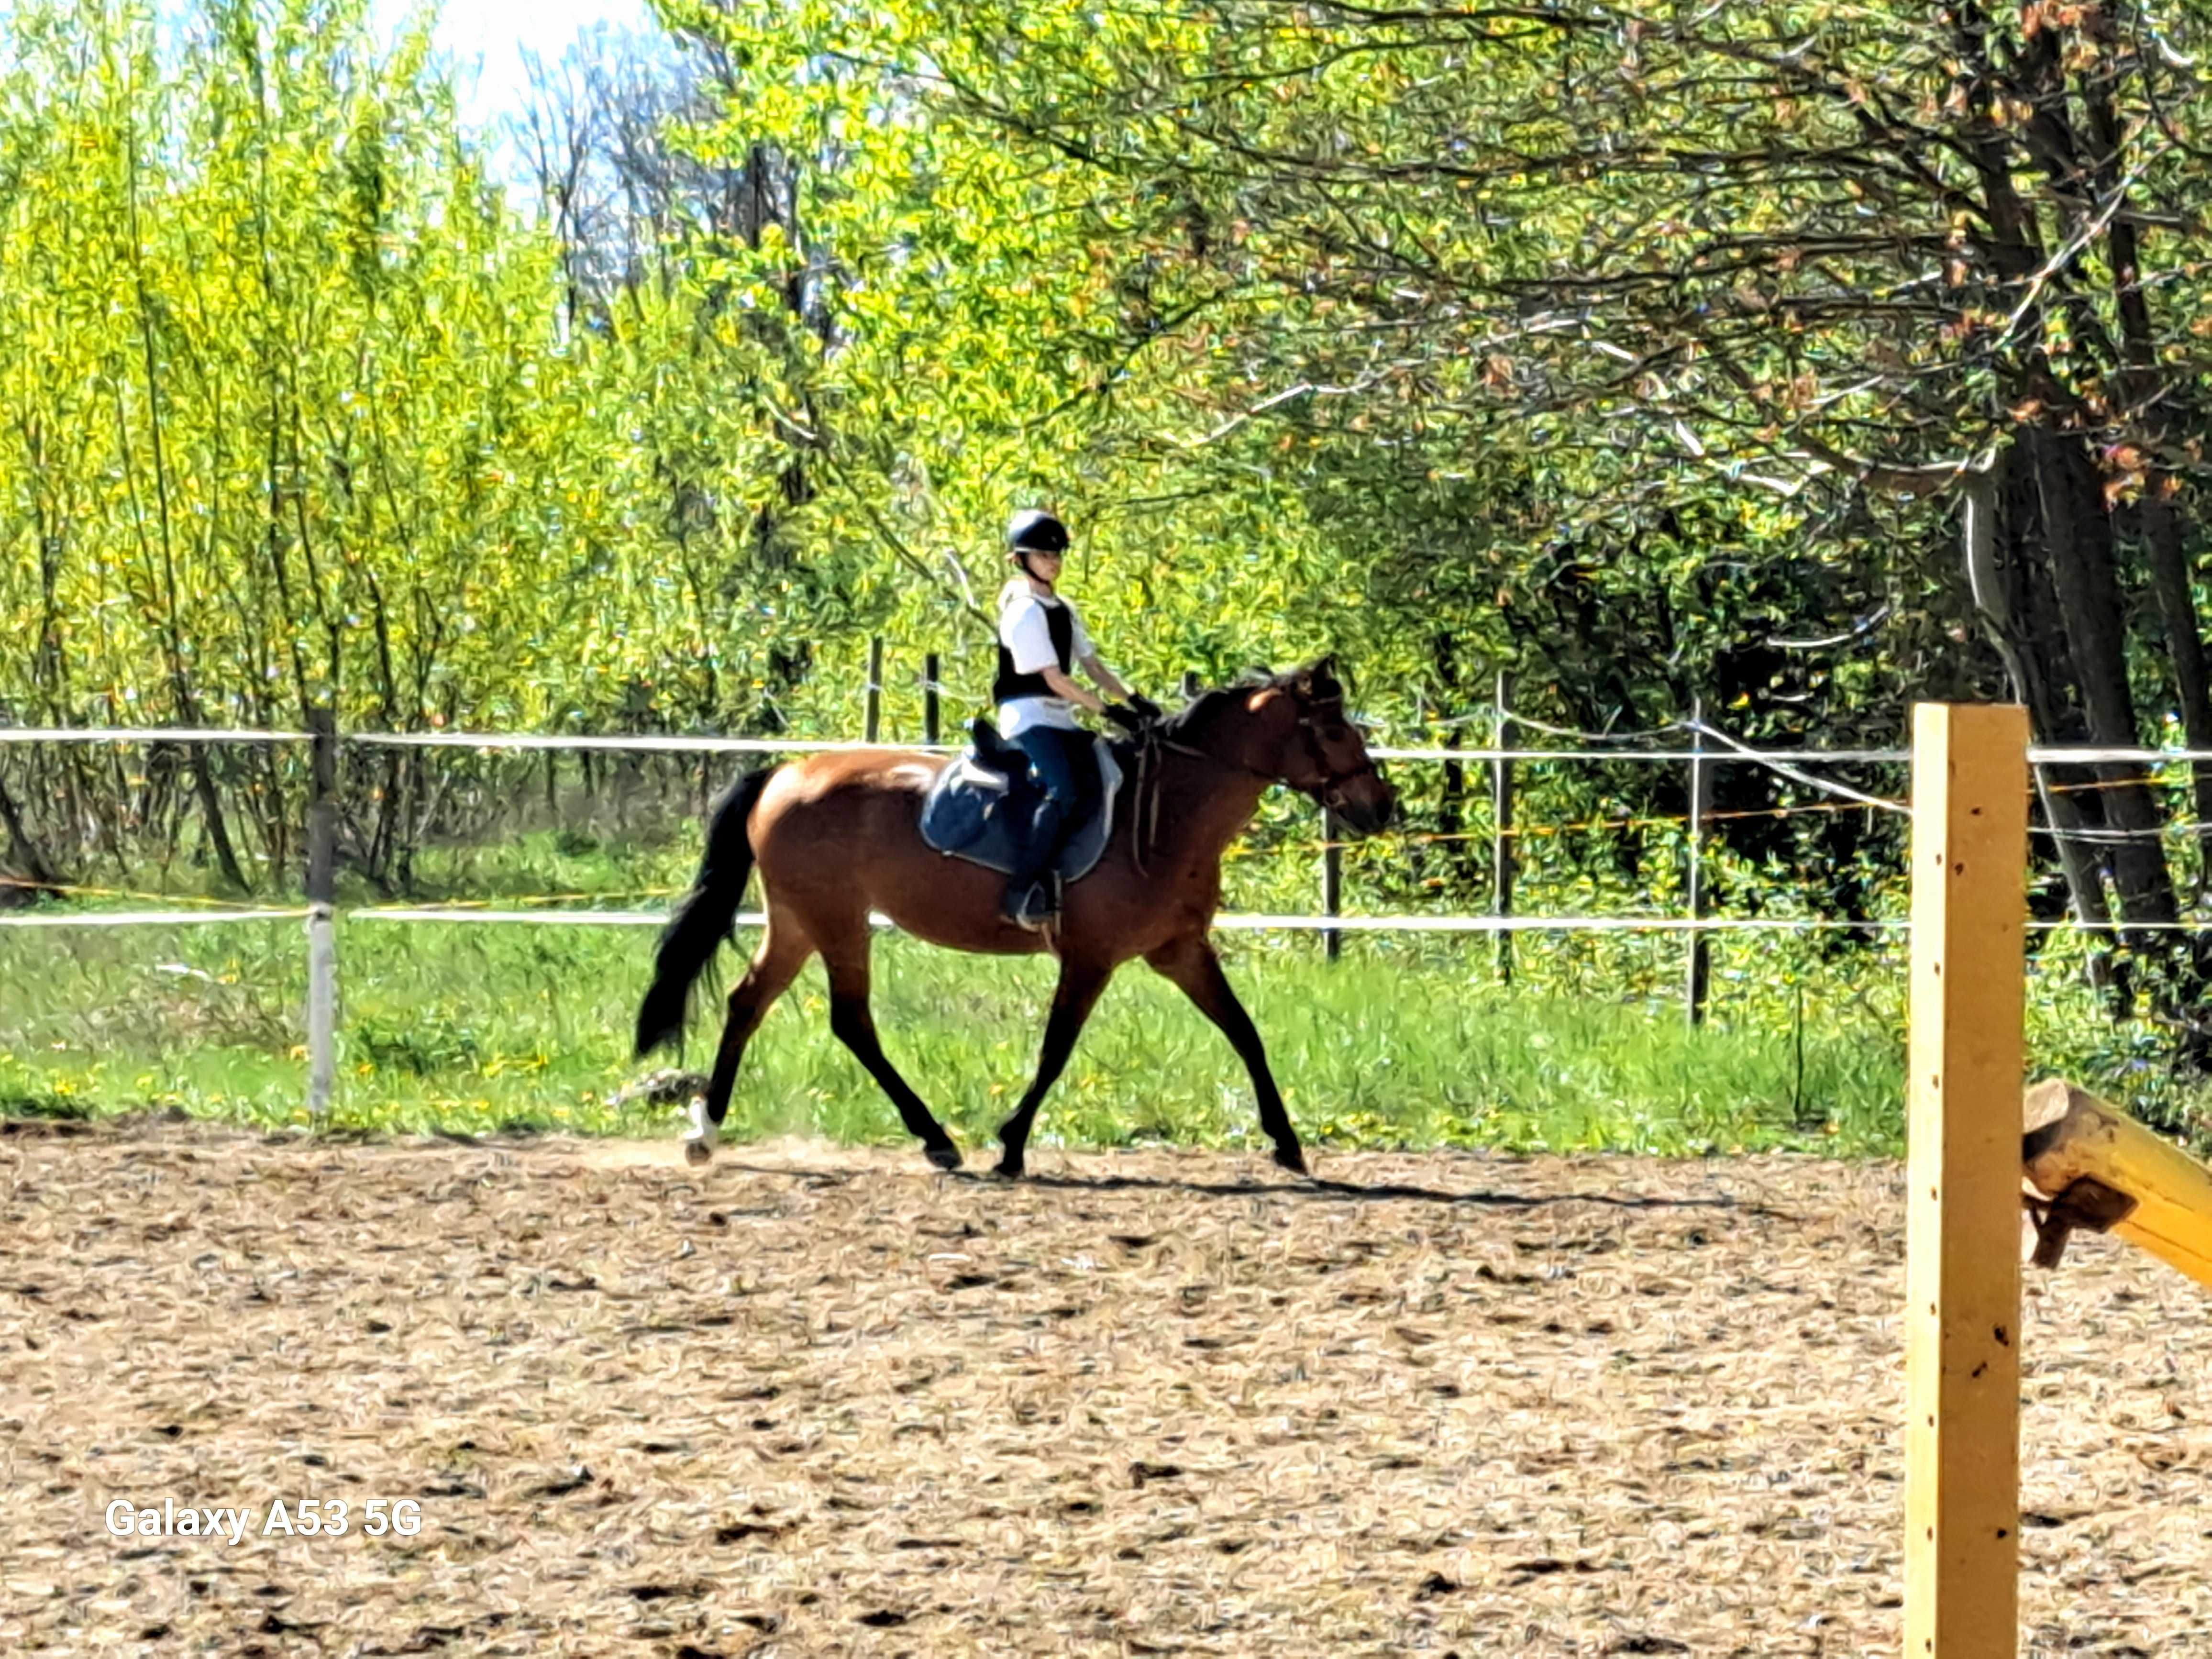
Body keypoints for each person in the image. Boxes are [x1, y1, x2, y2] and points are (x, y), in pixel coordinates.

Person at [992, 508, 1144, 929]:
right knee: (1063, 789)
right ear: (1021, 560)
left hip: (1060, 717)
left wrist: (1134, 699)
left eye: (1057, 555)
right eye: (1044, 555)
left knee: (1111, 777)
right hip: (1027, 717)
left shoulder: (1063, 607)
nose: (1054, 562)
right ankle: (1021, 890)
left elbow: (1092, 667)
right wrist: (1107, 711)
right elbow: (1055, 679)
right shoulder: (1023, 611)